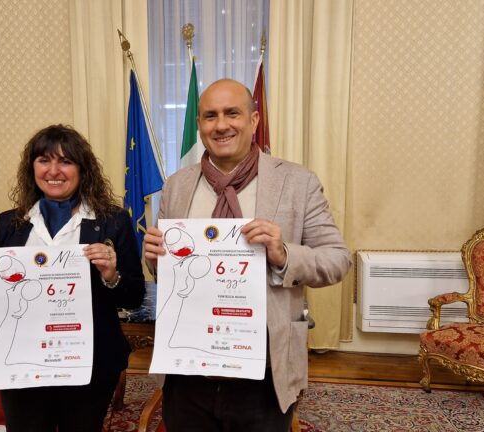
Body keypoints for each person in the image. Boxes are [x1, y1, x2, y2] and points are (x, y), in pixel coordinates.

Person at [143, 79, 352, 432]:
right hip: (188, 368)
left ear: (254, 120)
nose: (221, 125)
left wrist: (284, 254)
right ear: (199, 125)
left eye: (232, 113)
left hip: (264, 372)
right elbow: (168, 273)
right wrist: (155, 258)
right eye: (210, 116)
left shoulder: (298, 182)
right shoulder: (176, 185)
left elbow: (337, 260)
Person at [0, 124, 146, 432]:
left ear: (82, 169)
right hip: (23, 359)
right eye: (44, 160)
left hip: (91, 363)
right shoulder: (10, 223)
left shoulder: (112, 221)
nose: (54, 171)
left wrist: (111, 276)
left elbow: (134, 296)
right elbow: (4, 304)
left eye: (66, 161)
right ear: (32, 167)